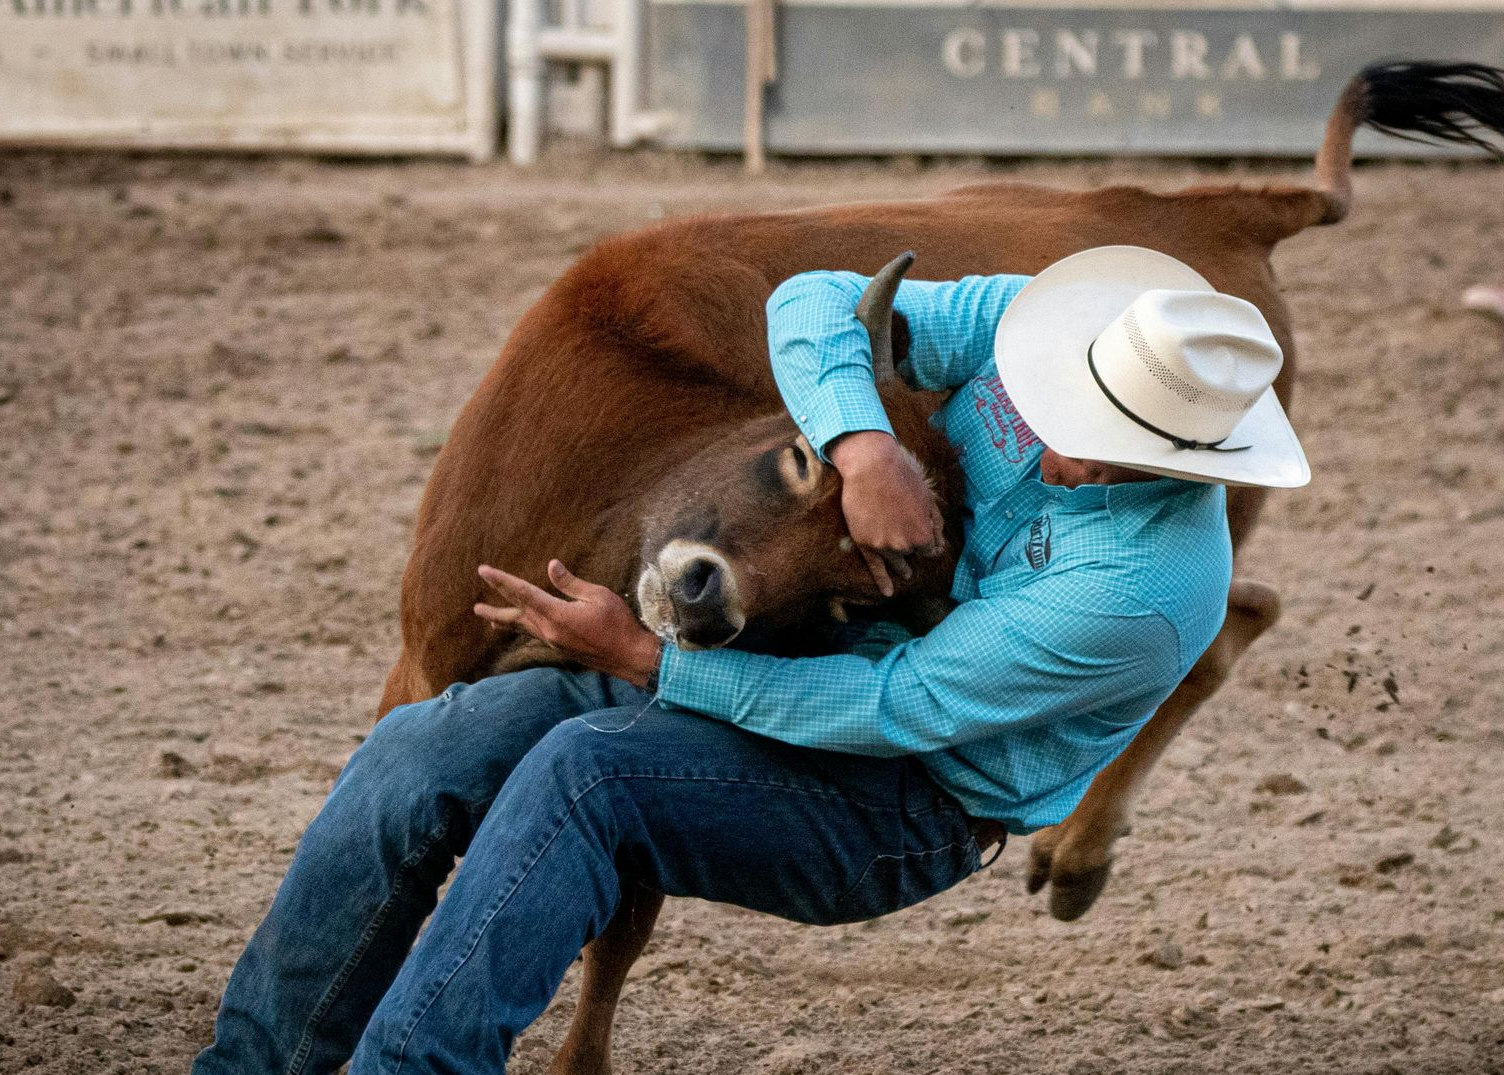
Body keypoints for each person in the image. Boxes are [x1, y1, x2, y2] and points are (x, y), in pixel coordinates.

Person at [192, 246, 1309, 1075]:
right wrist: (862, 444)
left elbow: (895, 703)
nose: (1059, 440)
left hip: (904, 801)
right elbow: (815, 299)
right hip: (803, 666)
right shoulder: (1037, 330)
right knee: (432, 737)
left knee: (591, 769)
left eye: (1108, 447)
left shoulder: (1140, 593)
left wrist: (646, 658)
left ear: (1192, 462)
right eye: (1071, 403)